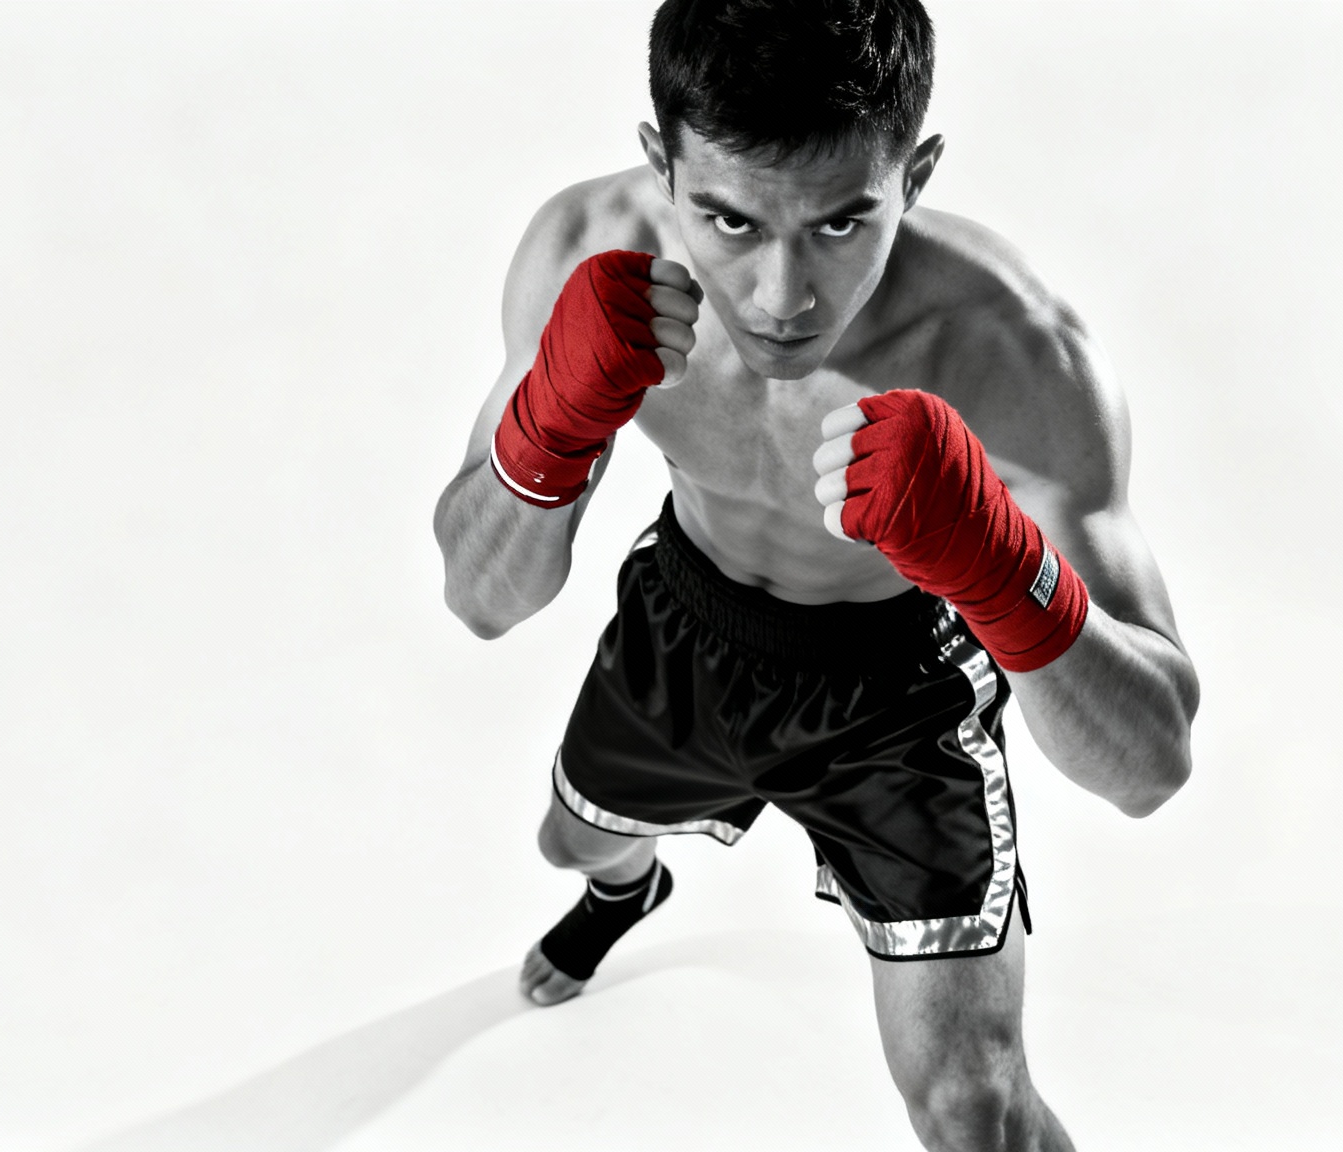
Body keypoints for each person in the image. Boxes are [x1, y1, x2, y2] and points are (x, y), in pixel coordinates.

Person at [432, 1, 1197, 1147]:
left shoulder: (1011, 352)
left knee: (970, 1106)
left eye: (841, 225)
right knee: (570, 840)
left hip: (904, 698)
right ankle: (622, 890)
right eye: (729, 220)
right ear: (661, 161)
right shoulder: (584, 247)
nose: (780, 297)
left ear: (915, 174)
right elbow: (481, 599)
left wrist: (998, 564)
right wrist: (547, 428)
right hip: (685, 629)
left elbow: (1149, 767)